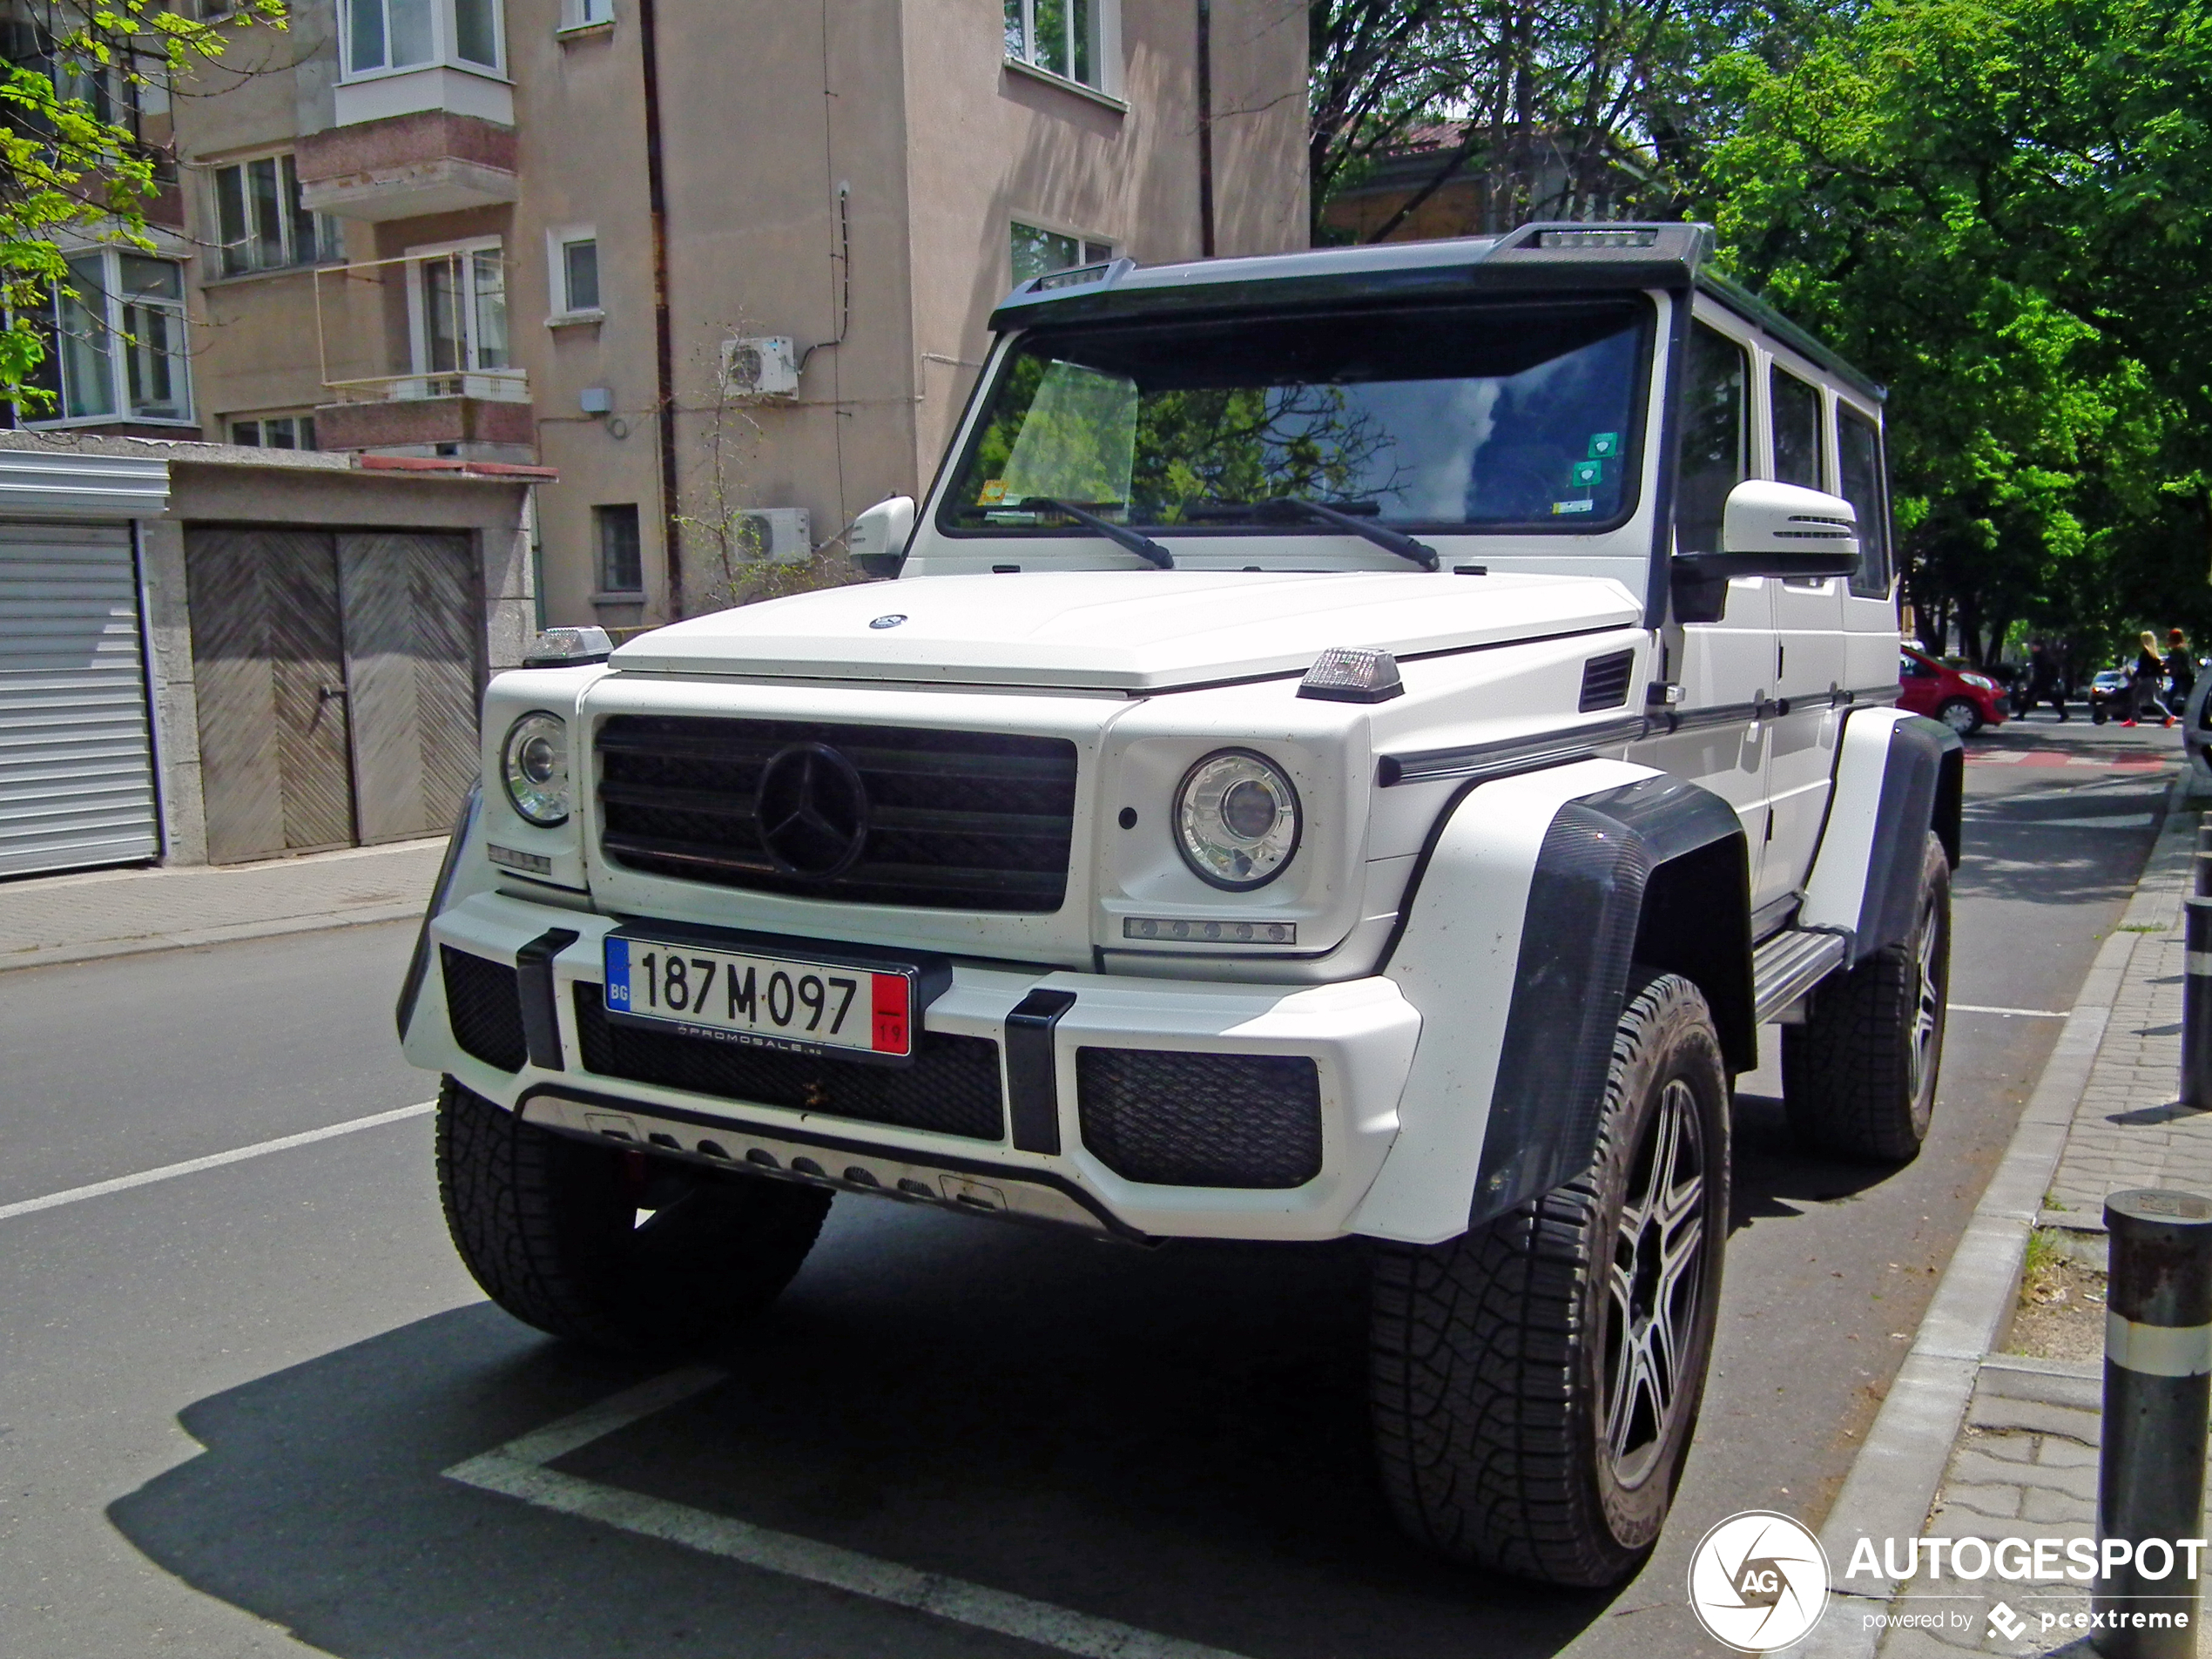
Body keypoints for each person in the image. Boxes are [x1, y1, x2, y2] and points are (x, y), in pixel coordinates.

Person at [2122, 630, 2172, 727]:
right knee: (2150, 700)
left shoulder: (2145, 653)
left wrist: (2133, 679)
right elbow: (2157, 669)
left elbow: (2141, 668)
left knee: (2136, 696)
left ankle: (2134, 719)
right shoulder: (2154, 654)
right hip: (2152, 679)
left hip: (2146, 680)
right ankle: (2168, 717)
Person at [2023, 640, 2067, 720]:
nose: (2033, 648)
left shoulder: (2043, 656)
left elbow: (2050, 669)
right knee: (2029, 696)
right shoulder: (2039, 655)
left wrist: (2051, 679)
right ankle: (2021, 715)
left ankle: (2064, 714)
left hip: (2044, 680)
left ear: (2039, 647)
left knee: (2050, 698)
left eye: (2034, 646)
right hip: (2040, 680)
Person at [2167, 629, 2196, 718]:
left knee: (2174, 696)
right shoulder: (2185, 649)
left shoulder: (2176, 650)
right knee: (2188, 697)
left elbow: (2175, 663)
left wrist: (2167, 665)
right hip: (2187, 676)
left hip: (2182, 676)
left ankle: (2167, 715)